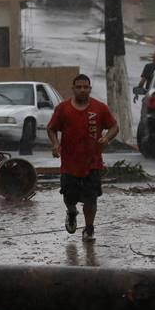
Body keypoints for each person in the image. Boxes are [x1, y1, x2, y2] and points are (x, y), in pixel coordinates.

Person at [47, 74, 119, 242]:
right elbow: (51, 128)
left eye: (85, 87)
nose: (82, 90)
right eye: (78, 87)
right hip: (69, 163)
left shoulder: (100, 108)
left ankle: (89, 229)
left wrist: (107, 138)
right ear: (73, 89)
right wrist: (55, 144)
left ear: (90, 89)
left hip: (92, 162)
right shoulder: (63, 108)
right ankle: (71, 212)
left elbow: (114, 126)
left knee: (91, 198)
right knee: (69, 196)